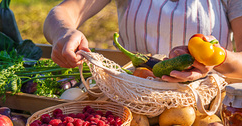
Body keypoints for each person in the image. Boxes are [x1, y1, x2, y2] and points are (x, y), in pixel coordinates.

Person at [43, 0, 242, 82]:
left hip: (203, 110)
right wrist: (63, 32)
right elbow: (63, 12)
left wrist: (218, 58)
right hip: (134, 102)